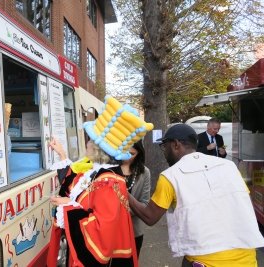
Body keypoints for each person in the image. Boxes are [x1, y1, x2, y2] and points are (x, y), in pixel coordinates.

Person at [128, 123, 264, 267]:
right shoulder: (230, 167)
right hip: (247, 260)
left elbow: (150, 216)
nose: (164, 151)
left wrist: (123, 191)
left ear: (175, 145)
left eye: (164, 146)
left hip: (203, 262)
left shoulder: (171, 176)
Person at [46, 96, 154, 267]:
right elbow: (74, 183)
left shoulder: (108, 182)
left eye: (90, 140)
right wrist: (62, 155)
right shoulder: (99, 173)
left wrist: (69, 206)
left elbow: (101, 235)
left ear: (97, 149)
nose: (87, 143)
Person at [120, 140, 150, 257]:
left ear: (139, 154)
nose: (126, 157)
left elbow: (144, 204)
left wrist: (123, 212)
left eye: (132, 154)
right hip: (111, 230)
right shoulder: (110, 169)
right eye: (124, 152)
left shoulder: (144, 172)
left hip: (134, 231)